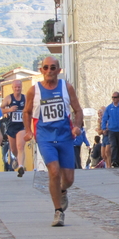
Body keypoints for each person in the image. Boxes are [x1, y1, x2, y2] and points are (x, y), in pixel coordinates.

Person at [23, 56, 83, 225]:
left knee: (69, 179)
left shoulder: (66, 87)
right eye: (46, 67)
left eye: (53, 67)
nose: (49, 71)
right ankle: (58, 212)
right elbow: (26, 112)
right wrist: (28, 131)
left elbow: (78, 110)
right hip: (44, 137)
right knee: (54, 171)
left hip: (65, 136)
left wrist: (76, 126)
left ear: (59, 70)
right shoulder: (34, 91)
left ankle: (62, 191)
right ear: (41, 70)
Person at [0, 79, 27, 177]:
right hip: (11, 126)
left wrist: (26, 112)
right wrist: (9, 110)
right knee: (13, 149)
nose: (17, 89)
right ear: (13, 88)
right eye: (15, 87)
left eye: (19, 87)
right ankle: (16, 159)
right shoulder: (8, 98)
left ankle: (20, 166)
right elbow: (0, 110)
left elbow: (30, 109)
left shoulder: (25, 98)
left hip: (21, 126)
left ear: (21, 87)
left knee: (20, 146)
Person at [101, 91, 119, 167]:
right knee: (113, 145)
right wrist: (104, 128)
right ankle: (114, 161)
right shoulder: (109, 108)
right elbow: (104, 118)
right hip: (112, 130)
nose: (114, 99)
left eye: (115, 97)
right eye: (113, 97)